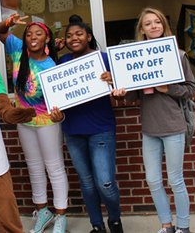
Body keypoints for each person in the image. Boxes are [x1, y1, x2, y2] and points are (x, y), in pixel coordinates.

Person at [112, 7, 195, 233]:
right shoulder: (134, 58)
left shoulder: (177, 55)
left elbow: (191, 89)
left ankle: (184, 227)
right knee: (152, 180)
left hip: (173, 126)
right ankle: (166, 225)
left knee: (175, 180)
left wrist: (168, 88)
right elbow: (133, 95)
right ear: (142, 29)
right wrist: (122, 92)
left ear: (164, 25)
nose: (154, 26)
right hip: (150, 128)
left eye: (157, 22)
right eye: (148, 23)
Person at [51, 15, 124, 233]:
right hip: (73, 130)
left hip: (101, 129)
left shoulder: (104, 59)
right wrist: (58, 115)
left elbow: (121, 96)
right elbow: (59, 98)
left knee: (105, 183)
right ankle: (97, 225)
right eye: (69, 35)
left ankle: (115, 220)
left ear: (89, 37)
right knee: (87, 183)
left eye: (79, 34)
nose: (74, 38)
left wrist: (113, 81)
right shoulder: (62, 62)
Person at [0, 14, 69, 233]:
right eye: (28, 34)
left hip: (47, 122)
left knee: (54, 167)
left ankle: (61, 215)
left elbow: (62, 100)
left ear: (47, 39)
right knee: (34, 168)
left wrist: (61, 116)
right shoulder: (18, 50)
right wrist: (8, 22)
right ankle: (43, 211)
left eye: (38, 34)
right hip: (25, 121)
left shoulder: (52, 64)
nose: (32, 37)